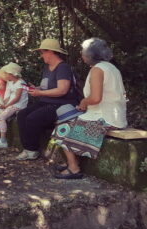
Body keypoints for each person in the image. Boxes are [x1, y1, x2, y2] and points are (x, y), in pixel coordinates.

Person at [51, 38, 127, 179]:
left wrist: (84, 102)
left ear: (90, 55)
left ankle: (74, 168)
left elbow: (95, 98)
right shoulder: (111, 67)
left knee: (62, 126)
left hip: (105, 118)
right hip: (115, 116)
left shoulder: (98, 70)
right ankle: (73, 162)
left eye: (83, 52)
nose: (81, 55)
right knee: (67, 118)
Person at [16, 39, 80, 160]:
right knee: (22, 115)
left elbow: (62, 90)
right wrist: (37, 88)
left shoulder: (63, 67)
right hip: (46, 101)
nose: (41, 55)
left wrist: (40, 92)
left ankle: (32, 150)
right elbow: (48, 87)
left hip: (61, 105)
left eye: (42, 52)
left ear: (50, 52)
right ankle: (29, 149)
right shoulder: (46, 67)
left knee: (32, 119)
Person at [0, 63, 28, 148]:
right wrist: (3, 103)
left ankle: (3, 140)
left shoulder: (21, 83)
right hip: (10, 104)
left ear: (12, 74)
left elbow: (17, 98)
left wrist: (6, 105)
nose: (5, 75)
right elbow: (8, 97)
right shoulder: (10, 82)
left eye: (6, 73)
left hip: (18, 105)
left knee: (1, 117)